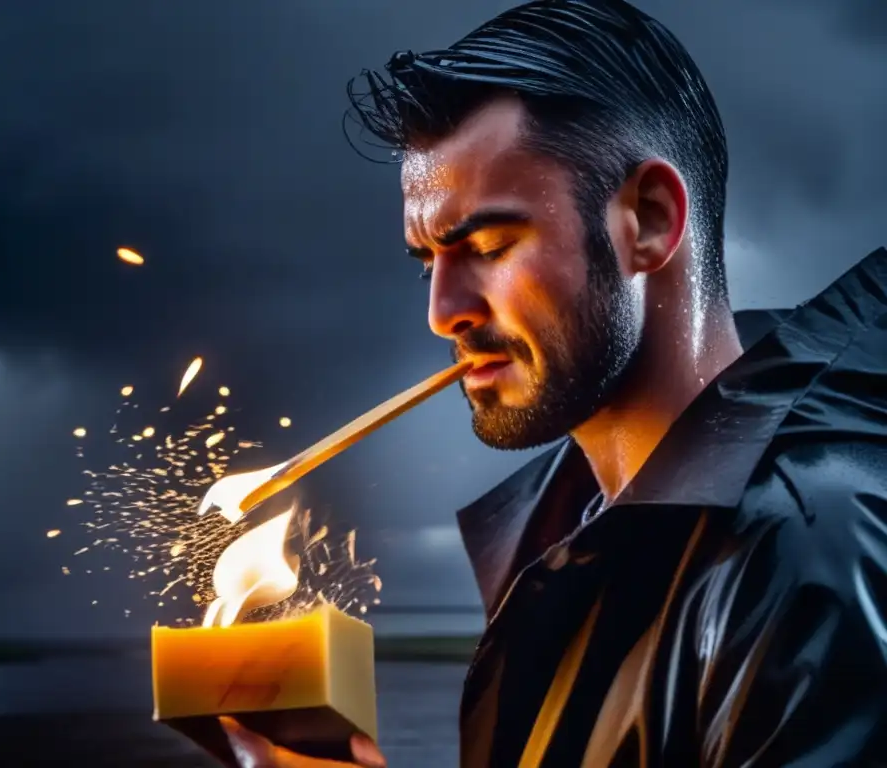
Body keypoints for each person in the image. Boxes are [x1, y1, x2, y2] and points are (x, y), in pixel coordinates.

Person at [222, 0, 887, 765]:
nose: (443, 313)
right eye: (427, 261)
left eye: (490, 244)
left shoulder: (807, 561)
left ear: (648, 219)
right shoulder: (577, 535)